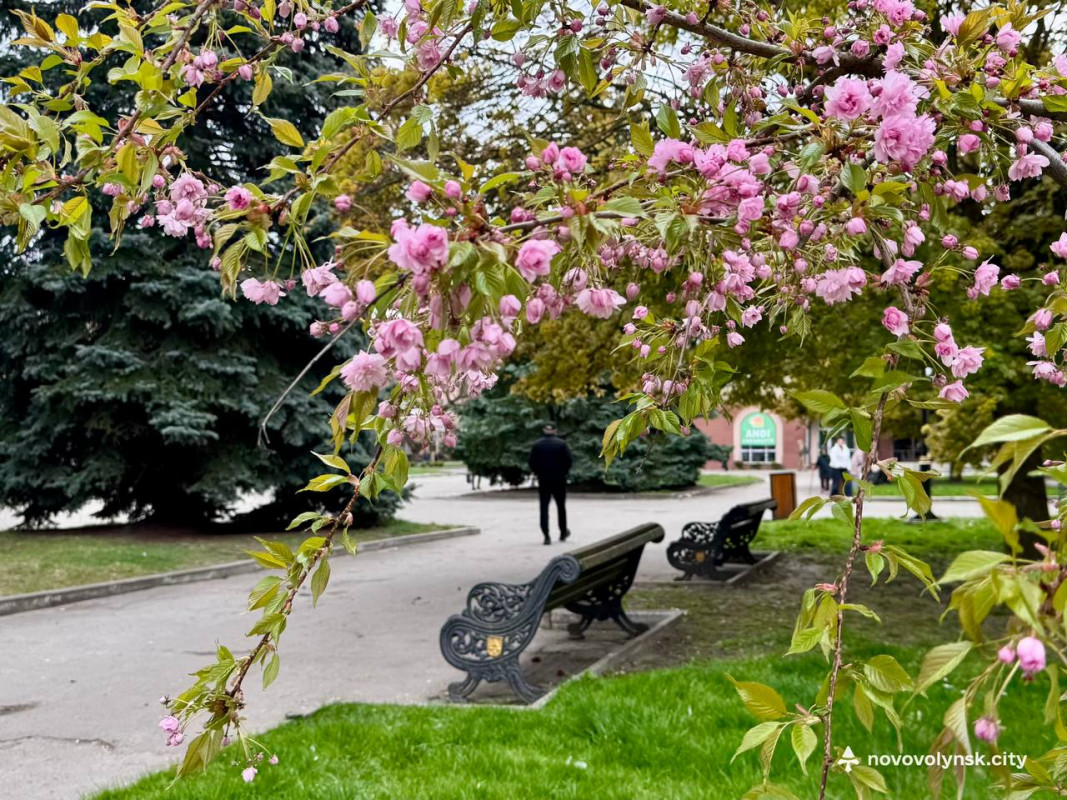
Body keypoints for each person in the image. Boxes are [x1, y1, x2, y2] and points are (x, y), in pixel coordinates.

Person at [529, 425, 572, 545]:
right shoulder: (561, 444)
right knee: (561, 507)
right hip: (559, 480)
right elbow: (568, 460)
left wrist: (538, 472)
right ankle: (563, 532)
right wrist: (563, 472)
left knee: (543, 508)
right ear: (555, 430)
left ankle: (546, 536)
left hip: (543, 480)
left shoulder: (537, 445)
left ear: (544, 430)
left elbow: (532, 462)